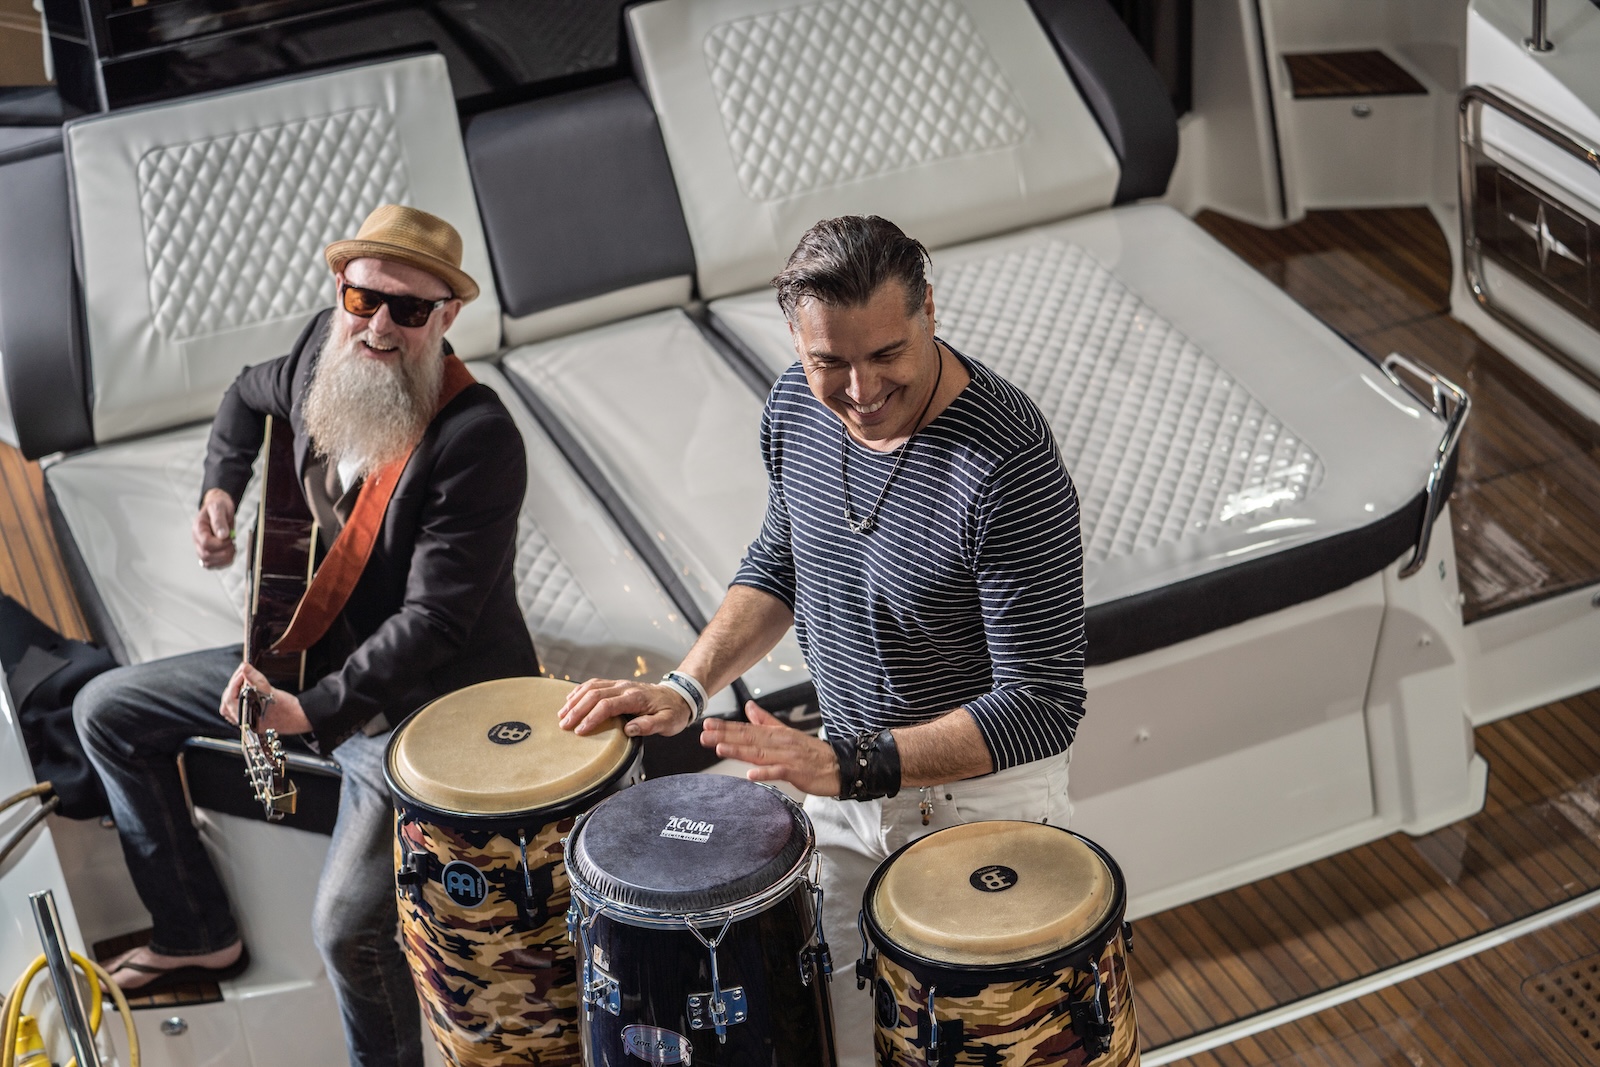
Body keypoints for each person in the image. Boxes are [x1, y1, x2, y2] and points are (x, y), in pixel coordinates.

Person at [557, 214, 1085, 1064]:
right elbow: (782, 558)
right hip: (844, 797)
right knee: (841, 1044)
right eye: (830, 361)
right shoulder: (796, 408)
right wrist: (686, 686)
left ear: (930, 311)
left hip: (980, 806)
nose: (861, 389)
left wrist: (851, 765)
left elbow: (1042, 704)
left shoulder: (1007, 463)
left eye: (886, 354)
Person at [74, 205, 537, 1067]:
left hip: (419, 710)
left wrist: (310, 709)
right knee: (105, 709)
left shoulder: (478, 438)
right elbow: (241, 396)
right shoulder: (320, 349)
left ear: (446, 317)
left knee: (345, 931)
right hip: (306, 655)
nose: (381, 326)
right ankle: (196, 930)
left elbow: (434, 622)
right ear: (339, 289)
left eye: (411, 309)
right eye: (366, 299)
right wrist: (220, 489)